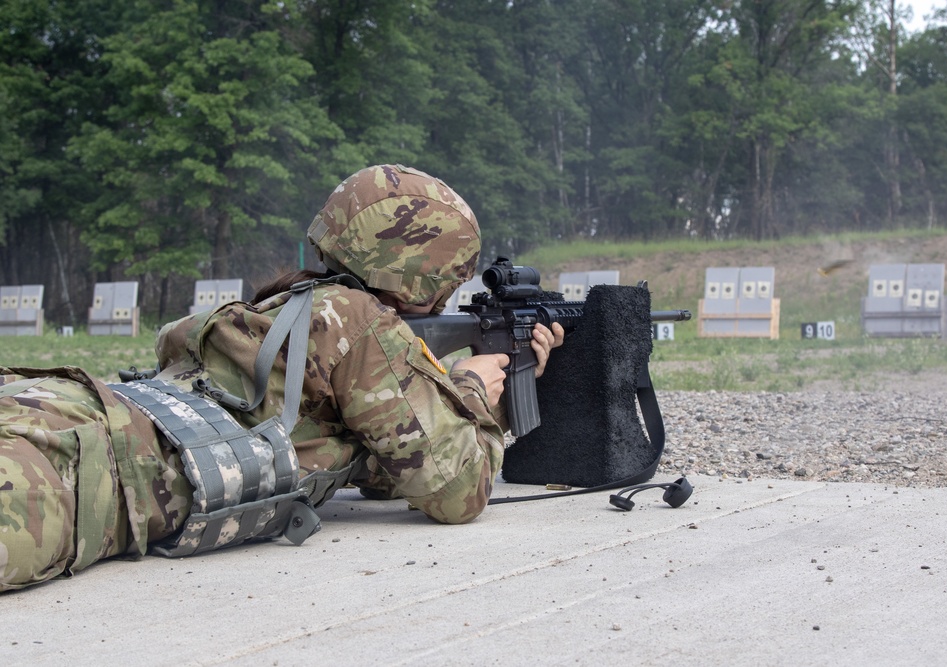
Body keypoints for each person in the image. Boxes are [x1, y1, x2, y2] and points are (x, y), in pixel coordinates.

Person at [0, 164, 563, 592]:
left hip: (70, 410)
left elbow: (387, 466)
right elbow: (456, 490)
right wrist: (471, 393)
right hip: (81, 469)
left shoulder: (294, 307)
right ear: (422, 275)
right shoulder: (360, 323)